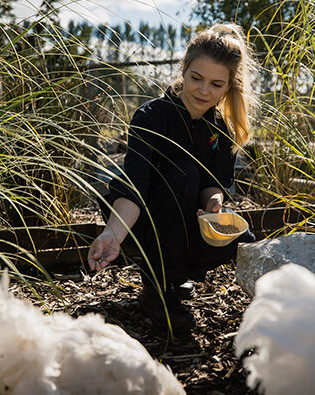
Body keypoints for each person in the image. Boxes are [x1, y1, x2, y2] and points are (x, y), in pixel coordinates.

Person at [87, 23, 258, 334]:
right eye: (196, 78)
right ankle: (157, 289)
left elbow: (213, 183)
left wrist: (213, 202)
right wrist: (112, 234)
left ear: (230, 87)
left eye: (217, 84)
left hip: (188, 222)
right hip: (140, 220)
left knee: (244, 239)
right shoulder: (151, 116)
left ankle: (176, 275)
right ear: (184, 69)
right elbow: (134, 185)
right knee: (183, 173)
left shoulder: (223, 127)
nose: (204, 91)